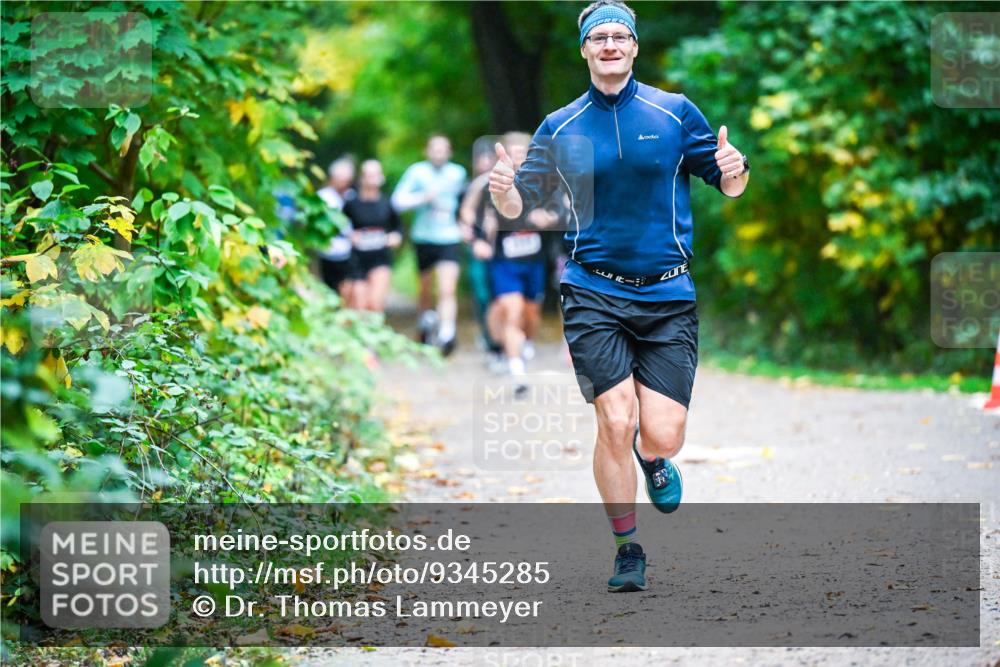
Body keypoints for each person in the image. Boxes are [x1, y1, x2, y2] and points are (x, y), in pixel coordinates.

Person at [489, 0, 749, 593]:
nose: (609, 44)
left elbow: (728, 185)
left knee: (661, 434)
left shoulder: (674, 111)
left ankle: (654, 461)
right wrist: (503, 190)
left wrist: (736, 168)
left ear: (634, 47)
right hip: (593, 291)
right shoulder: (560, 126)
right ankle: (626, 547)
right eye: (597, 37)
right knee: (615, 419)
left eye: (619, 36)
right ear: (583, 49)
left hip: (667, 294)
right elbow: (518, 205)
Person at [473, 132, 562, 394]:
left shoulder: (545, 184)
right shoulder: (493, 185)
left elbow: (561, 212)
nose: (518, 156)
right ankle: (517, 371)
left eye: (522, 151)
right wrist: (479, 239)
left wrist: (548, 218)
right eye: (513, 151)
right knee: (511, 312)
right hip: (504, 262)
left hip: (534, 262)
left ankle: (526, 343)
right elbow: (476, 219)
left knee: (530, 315)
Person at [391, 135, 467, 354]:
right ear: (427, 151)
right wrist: (422, 198)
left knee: (447, 288)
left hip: (449, 237)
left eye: (443, 149)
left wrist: (464, 224)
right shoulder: (417, 172)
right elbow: (397, 202)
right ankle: (425, 322)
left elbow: (465, 201)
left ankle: (446, 334)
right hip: (424, 237)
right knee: (425, 289)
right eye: (435, 149)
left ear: (449, 152)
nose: (438, 153)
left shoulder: (458, 173)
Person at [343, 159, 402, 313]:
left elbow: (398, 228)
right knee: (359, 305)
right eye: (369, 175)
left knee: (375, 304)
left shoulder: (387, 203)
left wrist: (395, 237)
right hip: (357, 259)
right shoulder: (351, 203)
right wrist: (350, 235)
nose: (373, 179)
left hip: (380, 257)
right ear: (362, 177)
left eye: (376, 175)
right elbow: (340, 227)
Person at [459, 145, 500, 354]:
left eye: (488, 159)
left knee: (502, 295)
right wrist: (475, 240)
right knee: (483, 295)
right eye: (480, 160)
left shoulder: (505, 183)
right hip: (480, 248)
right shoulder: (475, 185)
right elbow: (465, 216)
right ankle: (490, 339)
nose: (485, 164)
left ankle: (503, 339)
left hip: (502, 250)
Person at [317, 157, 358, 303]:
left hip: (350, 250)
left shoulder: (352, 196)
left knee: (349, 288)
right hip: (328, 250)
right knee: (330, 288)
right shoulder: (323, 197)